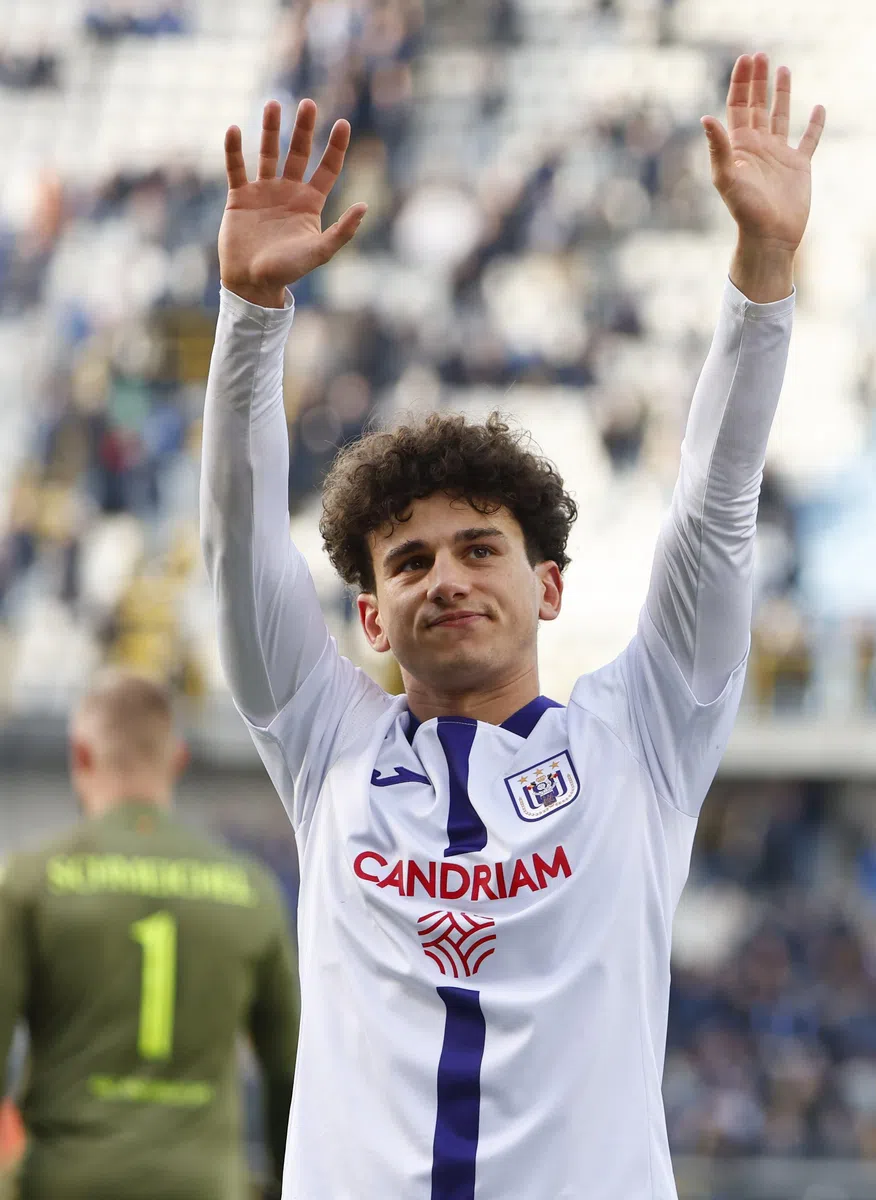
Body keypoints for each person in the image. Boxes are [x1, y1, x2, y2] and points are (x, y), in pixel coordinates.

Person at [198, 52, 824, 1196]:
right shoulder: (325, 741)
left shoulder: (642, 736)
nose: (445, 578)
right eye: (410, 562)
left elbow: (717, 507)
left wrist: (764, 269)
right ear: (369, 617)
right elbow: (237, 538)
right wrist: (251, 320)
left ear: (550, 587)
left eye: (481, 549)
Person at [0, 673, 299, 1200]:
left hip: (62, 1182)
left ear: (82, 758)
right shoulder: (251, 889)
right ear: (178, 759)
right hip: (206, 1186)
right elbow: (289, 1077)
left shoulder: (29, 880)